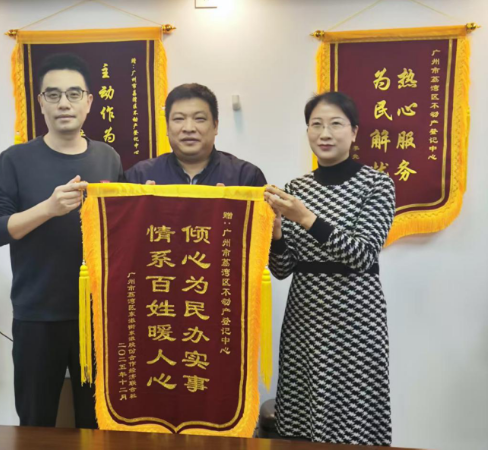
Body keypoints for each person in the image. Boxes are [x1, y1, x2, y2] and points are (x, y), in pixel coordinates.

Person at [0, 53, 123, 429]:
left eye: (74, 94)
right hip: (37, 315)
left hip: (97, 315)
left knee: (98, 422)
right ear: (40, 102)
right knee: (35, 421)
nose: (64, 103)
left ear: (89, 101)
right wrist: (48, 208)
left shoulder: (108, 158)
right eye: (54, 94)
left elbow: (123, 229)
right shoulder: (15, 160)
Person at [264, 91, 395, 446]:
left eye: (336, 124)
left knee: (353, 417)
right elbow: (282, 269)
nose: (325, 133)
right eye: (316, 124)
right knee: (303, 414)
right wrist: (276, 232)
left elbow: (362, 255)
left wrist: (305, 218)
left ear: (354, 132)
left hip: (356, 321)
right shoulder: (296, 188)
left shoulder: (377, 184)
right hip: (305, 320)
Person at [125, 83, 266, 186]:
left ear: (215, 126)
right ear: (167, 127)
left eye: (199, 119)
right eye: (179, 119)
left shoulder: (245, 177)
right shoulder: (139, 177)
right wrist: (142, 207)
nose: (189, 128)